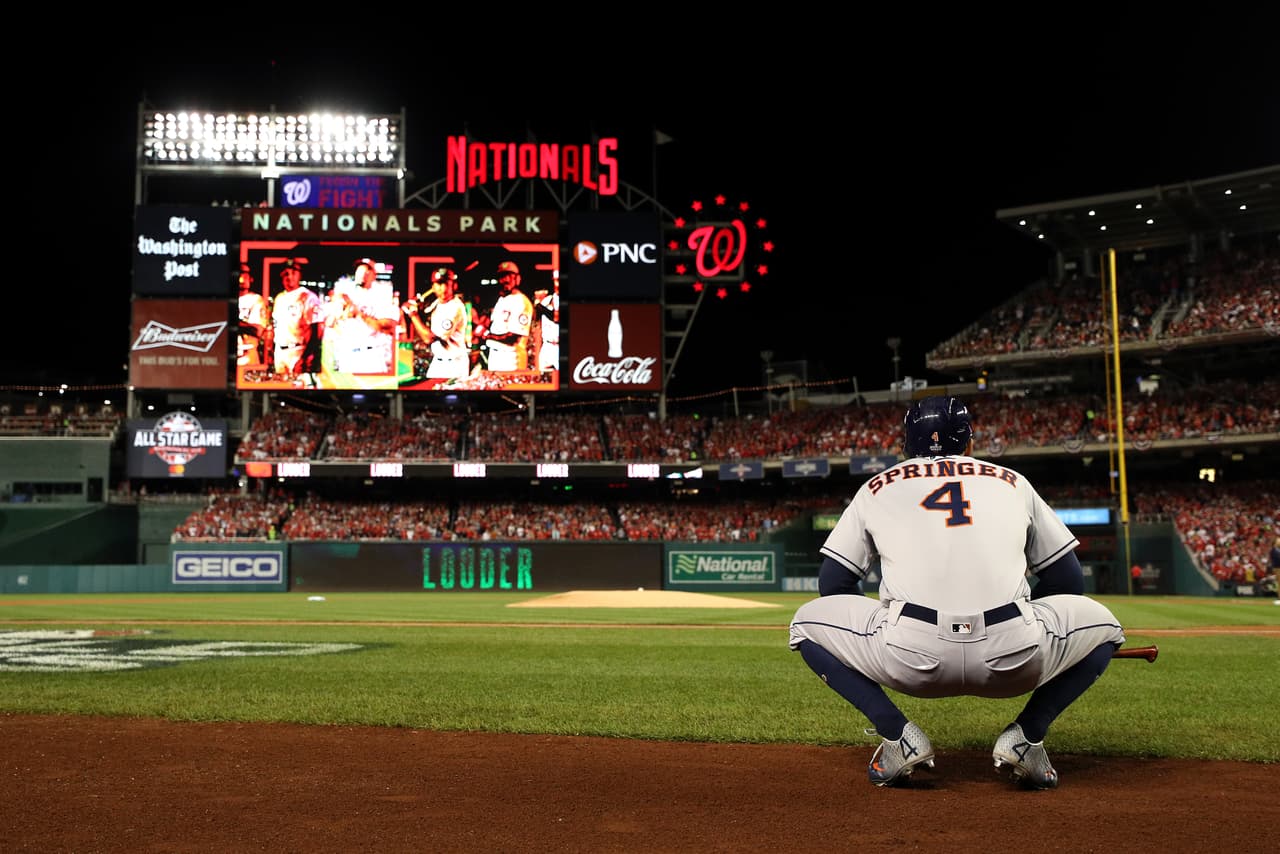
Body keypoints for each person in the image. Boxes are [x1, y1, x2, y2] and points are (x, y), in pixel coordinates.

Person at [788, 395, 1125, 789]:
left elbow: (833, 585)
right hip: (1014, 657)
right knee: (1107, 627)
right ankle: (1028, 737)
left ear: (906, 446)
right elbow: (1070, 584)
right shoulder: (1014, 481)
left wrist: (887, 619)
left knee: (804, 624)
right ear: (969, 443)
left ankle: (897, 736)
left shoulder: (877, 486)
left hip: (910, 657)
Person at [326, 257, 399, 375]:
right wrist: (338, 311)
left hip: (371, 355)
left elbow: (387, 327)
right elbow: (330, 323)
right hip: (348, 355)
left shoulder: (381, 297)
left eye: (366, 272)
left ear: (374, 275)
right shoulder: (346, 295)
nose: (362, 274)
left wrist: (359, 314)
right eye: (359, 271)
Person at [404, 266, 470, 379]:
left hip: (454, 364)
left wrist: (413, 315)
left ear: (454, 285)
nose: (443, 288)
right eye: (439, 284)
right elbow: (424, 312)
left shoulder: (455, 307)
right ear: (433, 287)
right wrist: (413, 305)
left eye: (447, 284)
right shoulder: (437, 303)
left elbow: (428, 338)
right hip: (438, 361)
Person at [270, 258, 324, 380]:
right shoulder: (279, 298)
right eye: (285, 274)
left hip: (299, 352)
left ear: (299, 275)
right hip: (280, 352)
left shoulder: (308, 297)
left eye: (293, 273)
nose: (289, 277)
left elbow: (317, 331)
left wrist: (305, 357)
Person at [485, 260, 534, 372]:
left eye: (509, 276)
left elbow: (513, 337)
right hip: (495, 355)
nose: (505, 280)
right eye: (502, 276)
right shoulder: (502, 299)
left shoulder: (521, 301)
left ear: (517, 279)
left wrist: (486, 336)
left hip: (511, 358)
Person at [236, 263, 270, 367]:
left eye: (246, 274)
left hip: (247, 356)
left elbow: (257, 331)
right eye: (240, 274)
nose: (242, 278)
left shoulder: (255, 300)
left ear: (251, 278)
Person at [532, 278, 560, 372]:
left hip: (559, 345)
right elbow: (536, 317)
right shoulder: (547, 300)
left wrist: (540, 306)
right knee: (541, 374)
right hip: (547, 345)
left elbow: (555, 318)